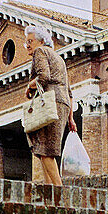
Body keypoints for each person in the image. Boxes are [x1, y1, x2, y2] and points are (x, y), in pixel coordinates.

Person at [24, 24, 77, 186]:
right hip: (62, 103)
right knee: (44, 149)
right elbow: (69, 92)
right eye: (26, 42)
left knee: (45, 150)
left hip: (49, 102)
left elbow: (43, 77)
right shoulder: (58, 58)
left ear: (41, 41)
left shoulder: (41, 52)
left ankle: (58, 189)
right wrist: (71, 119)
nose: (28, 45)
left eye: (31, 41)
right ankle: (49, 189)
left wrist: (29, 86)